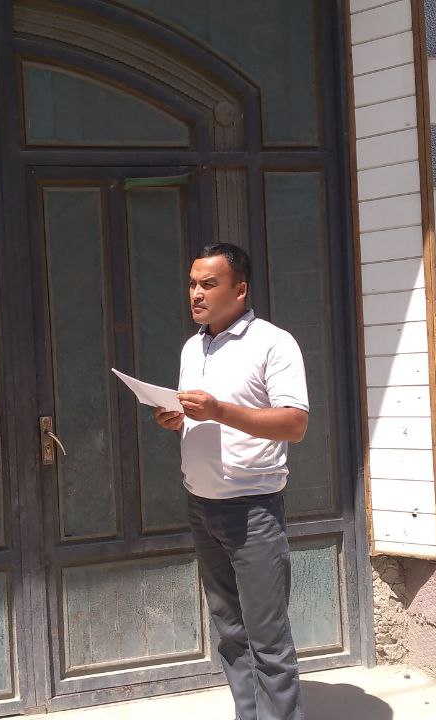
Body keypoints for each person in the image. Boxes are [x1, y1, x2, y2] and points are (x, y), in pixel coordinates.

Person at [154, 243, 309, 720]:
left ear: (239, 289)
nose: (195, 294)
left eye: (208, 284)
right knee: (231, 634)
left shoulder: (273, 343)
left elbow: (294, 424)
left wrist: (219, 410)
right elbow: (202, 418)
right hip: (202, 506)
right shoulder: (192, 346)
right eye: (192, 284)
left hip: (253, 510)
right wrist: (179, 419)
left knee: (268, 640)